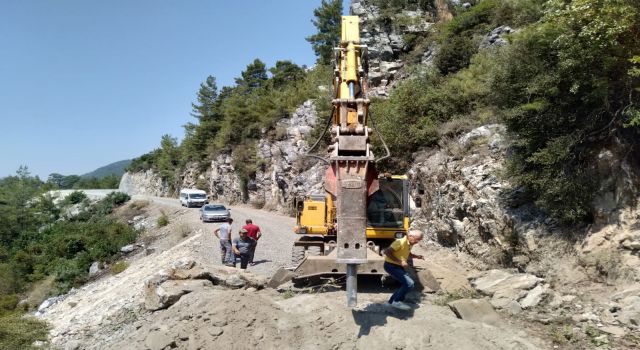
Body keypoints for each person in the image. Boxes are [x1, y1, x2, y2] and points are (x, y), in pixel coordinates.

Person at [383, 230, 424, 310]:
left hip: (397, 266)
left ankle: (391, 302)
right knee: (409, 283)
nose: (417, 242)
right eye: (417, 239)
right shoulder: (400, 242)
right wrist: (400, 261)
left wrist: (417, 256)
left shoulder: (409, 243)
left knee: (405, 284)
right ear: (411, 236)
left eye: (419, 240)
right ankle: (397, 301)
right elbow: (387, 252)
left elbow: (407, 253)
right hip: (391, 266)